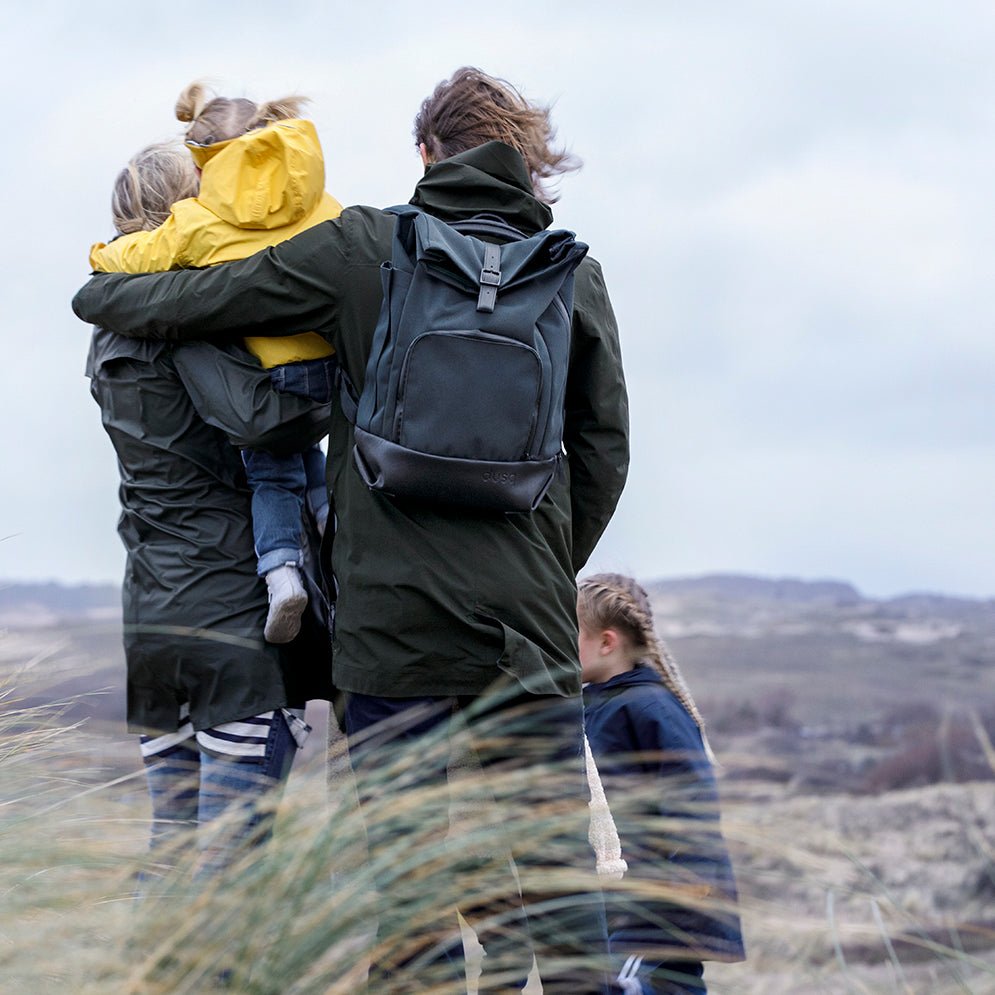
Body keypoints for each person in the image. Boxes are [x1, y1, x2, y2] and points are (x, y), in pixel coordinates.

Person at [74, 67, 629, 992]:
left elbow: (198, 300)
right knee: (562, 904)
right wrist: (538, 568)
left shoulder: (362, 247)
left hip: (390, 636)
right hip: (525, 637)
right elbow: (603, 452)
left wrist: (98, 293)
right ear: (530, 165)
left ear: (424, 154)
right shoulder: (576, 275)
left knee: (409, 906)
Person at [86, 140, 333, 879]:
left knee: (170, 855)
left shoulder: (106, 338)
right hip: (231, 623)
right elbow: (262, 422)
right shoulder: (185, 323)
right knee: (229, 878)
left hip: (153, 620)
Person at [90, 81, 344, 644]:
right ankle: (320, 540)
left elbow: (244, 425)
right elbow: (264, 422)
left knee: (277, 468)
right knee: (293, 463)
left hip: (165, 600)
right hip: (228, 611)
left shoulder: (126, 322)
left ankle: (293, 561)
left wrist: (99, 271)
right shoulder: (323, 209)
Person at [577, 574, 746, 995]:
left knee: (633, 986)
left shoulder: (648, 707)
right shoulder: (593, 703)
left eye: (569, 632)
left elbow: (692, 801)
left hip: (661, 899)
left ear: (606, 642)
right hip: (628, 897)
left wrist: (686, 888)